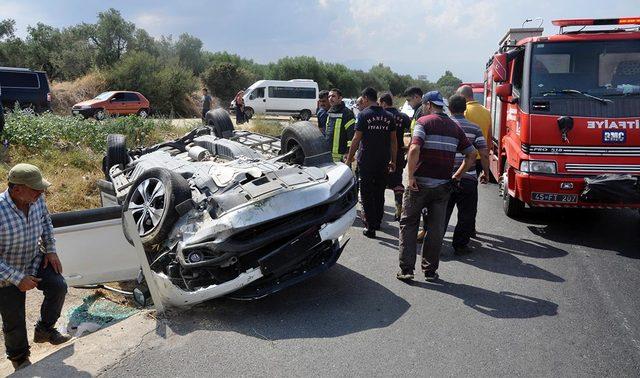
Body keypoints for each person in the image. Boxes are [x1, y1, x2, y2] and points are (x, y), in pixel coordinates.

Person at [397, 91, 476, 282]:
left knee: (409, 225)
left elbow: (414, 148)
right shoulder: (454, 127)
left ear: (429, 105)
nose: (423, 107)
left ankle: (407, 270)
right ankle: (430, 271)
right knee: (435, 228)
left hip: (419, 185)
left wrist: (411, 176)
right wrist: (457, 176)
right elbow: (471, 154)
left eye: (424, 105)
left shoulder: (424, 122)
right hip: (442, 186)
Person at [0, 164, 70, 372]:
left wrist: (50, 249)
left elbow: (46, 222)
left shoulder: (37, 199)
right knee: (14, 318)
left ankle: (45, 330)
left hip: (33, 259)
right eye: (35, 189)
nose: (41, 193)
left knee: (58, 286)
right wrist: (17, 278)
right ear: (17, 189)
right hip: (5, 272)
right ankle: (20, 358)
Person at [346, 88, 397, 238]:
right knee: (379, 191)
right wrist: (393, 160)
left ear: (366, 99)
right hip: (383, 161)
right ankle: (378, 222)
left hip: (366, 160)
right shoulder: (389, 116)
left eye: (362, 99)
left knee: (367, 193)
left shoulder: (363, 115)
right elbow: (394, 141)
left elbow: (356, 138)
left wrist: (349, 159)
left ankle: (370, 227)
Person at [444, 95, 490, 255]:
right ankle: (460, 245)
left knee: (442, 211)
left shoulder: (443, 126)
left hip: (445, 177)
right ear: (465, 109)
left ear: (449, 108)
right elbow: (484, 153)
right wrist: (485, 172)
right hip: (468, 177)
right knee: (466, 213)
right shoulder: (474, 128)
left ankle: (436, 241)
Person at [379, 92, 411, 221]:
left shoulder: (382, 116)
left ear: (384, 103)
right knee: (397, 182)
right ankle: (398, 209)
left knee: (380, 183)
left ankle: (379, 210)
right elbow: (412, 133)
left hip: (383, 154)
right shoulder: (403, 117)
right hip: (398, 154)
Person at [403, 86, 429, 241]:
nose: (408, 103)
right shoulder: (418, 111)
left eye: (409, 100)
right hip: (417, 157)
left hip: (420, 161)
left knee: (420, 198)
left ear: (417, 97)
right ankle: (425, 229)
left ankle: (425, 230)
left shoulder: (422, 112)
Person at [457, 85, 491, 176]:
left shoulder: (464, 111)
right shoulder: (487, 112)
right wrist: (486, 161)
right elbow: (488, 138)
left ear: (462, 96)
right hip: (480, 158)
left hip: (466, 157)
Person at [325, 88, 356, 162]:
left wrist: (348, 152)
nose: (330, 98)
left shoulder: (347, 114)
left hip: (342, 157)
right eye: (329, 96)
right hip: (329, 155)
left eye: (333, 96)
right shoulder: (330, 113)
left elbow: (351, 136)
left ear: (340, 98)